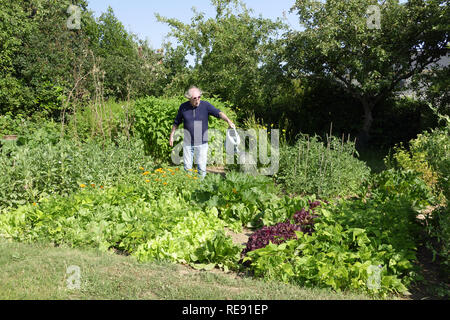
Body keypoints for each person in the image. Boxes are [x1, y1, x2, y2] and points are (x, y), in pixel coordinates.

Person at [169, 86, 235, 178]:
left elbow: (218, 113)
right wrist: (172, 136)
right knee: (187, 168)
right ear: (189, 98)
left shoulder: (205, 105)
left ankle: (200, 188)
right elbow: (176, 122)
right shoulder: (183, 107)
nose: (197, 100)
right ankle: (188, 187)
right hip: (188, 143)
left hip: (202, 143)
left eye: (199, 97)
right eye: (194, 98)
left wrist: (228, 120)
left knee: (201, 168)